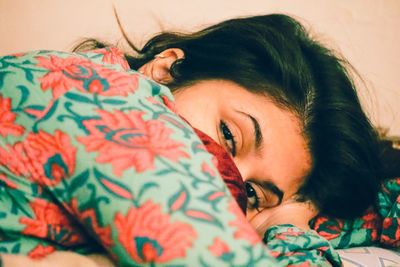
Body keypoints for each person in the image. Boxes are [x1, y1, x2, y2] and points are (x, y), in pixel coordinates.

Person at [0, 13, 381, 266]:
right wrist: (292, 234)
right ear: (168, 69)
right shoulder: (90, 94)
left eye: (252, 195)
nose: (225, 177)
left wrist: (292, 216)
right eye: (229, 135)